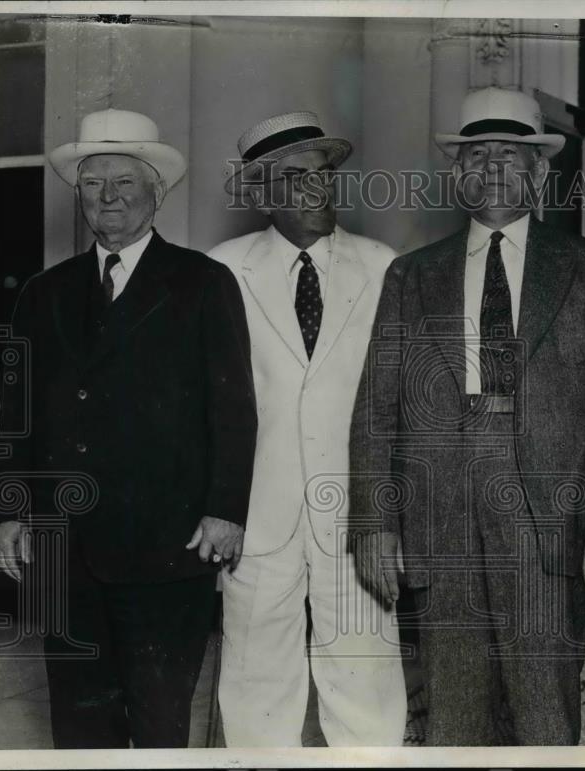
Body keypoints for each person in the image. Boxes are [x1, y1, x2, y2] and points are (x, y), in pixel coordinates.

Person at [349, 87, 585, 745]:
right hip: (442, 518)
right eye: (477, 155)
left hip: (546, 520)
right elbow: (377, 405)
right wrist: (374, 522)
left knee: (545, 713)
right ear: (457, 175)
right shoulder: (410, 275)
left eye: (509, 155)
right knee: (453, 718)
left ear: (540, 173)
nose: (491, 168)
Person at [0, 109, 258, 748]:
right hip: (66, 548)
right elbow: (19, 417)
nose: (106, 198)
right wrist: (9, 510)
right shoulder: (44, 292)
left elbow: (234, 409)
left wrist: (225, 511)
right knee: (78, 722)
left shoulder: (202, 282)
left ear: (155, 193)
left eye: (123, 183)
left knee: (160, 719)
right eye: (91, 184)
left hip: (167, 547)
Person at [209, 111, 407, 746]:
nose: (317, 189)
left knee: (365, 682)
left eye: (324, 175)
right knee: (255, 686)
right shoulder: (222, 269)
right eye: (295, 178)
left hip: (358, 518)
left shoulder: (384, 267)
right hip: (256, 517)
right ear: (263, 191)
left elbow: (405, 402)